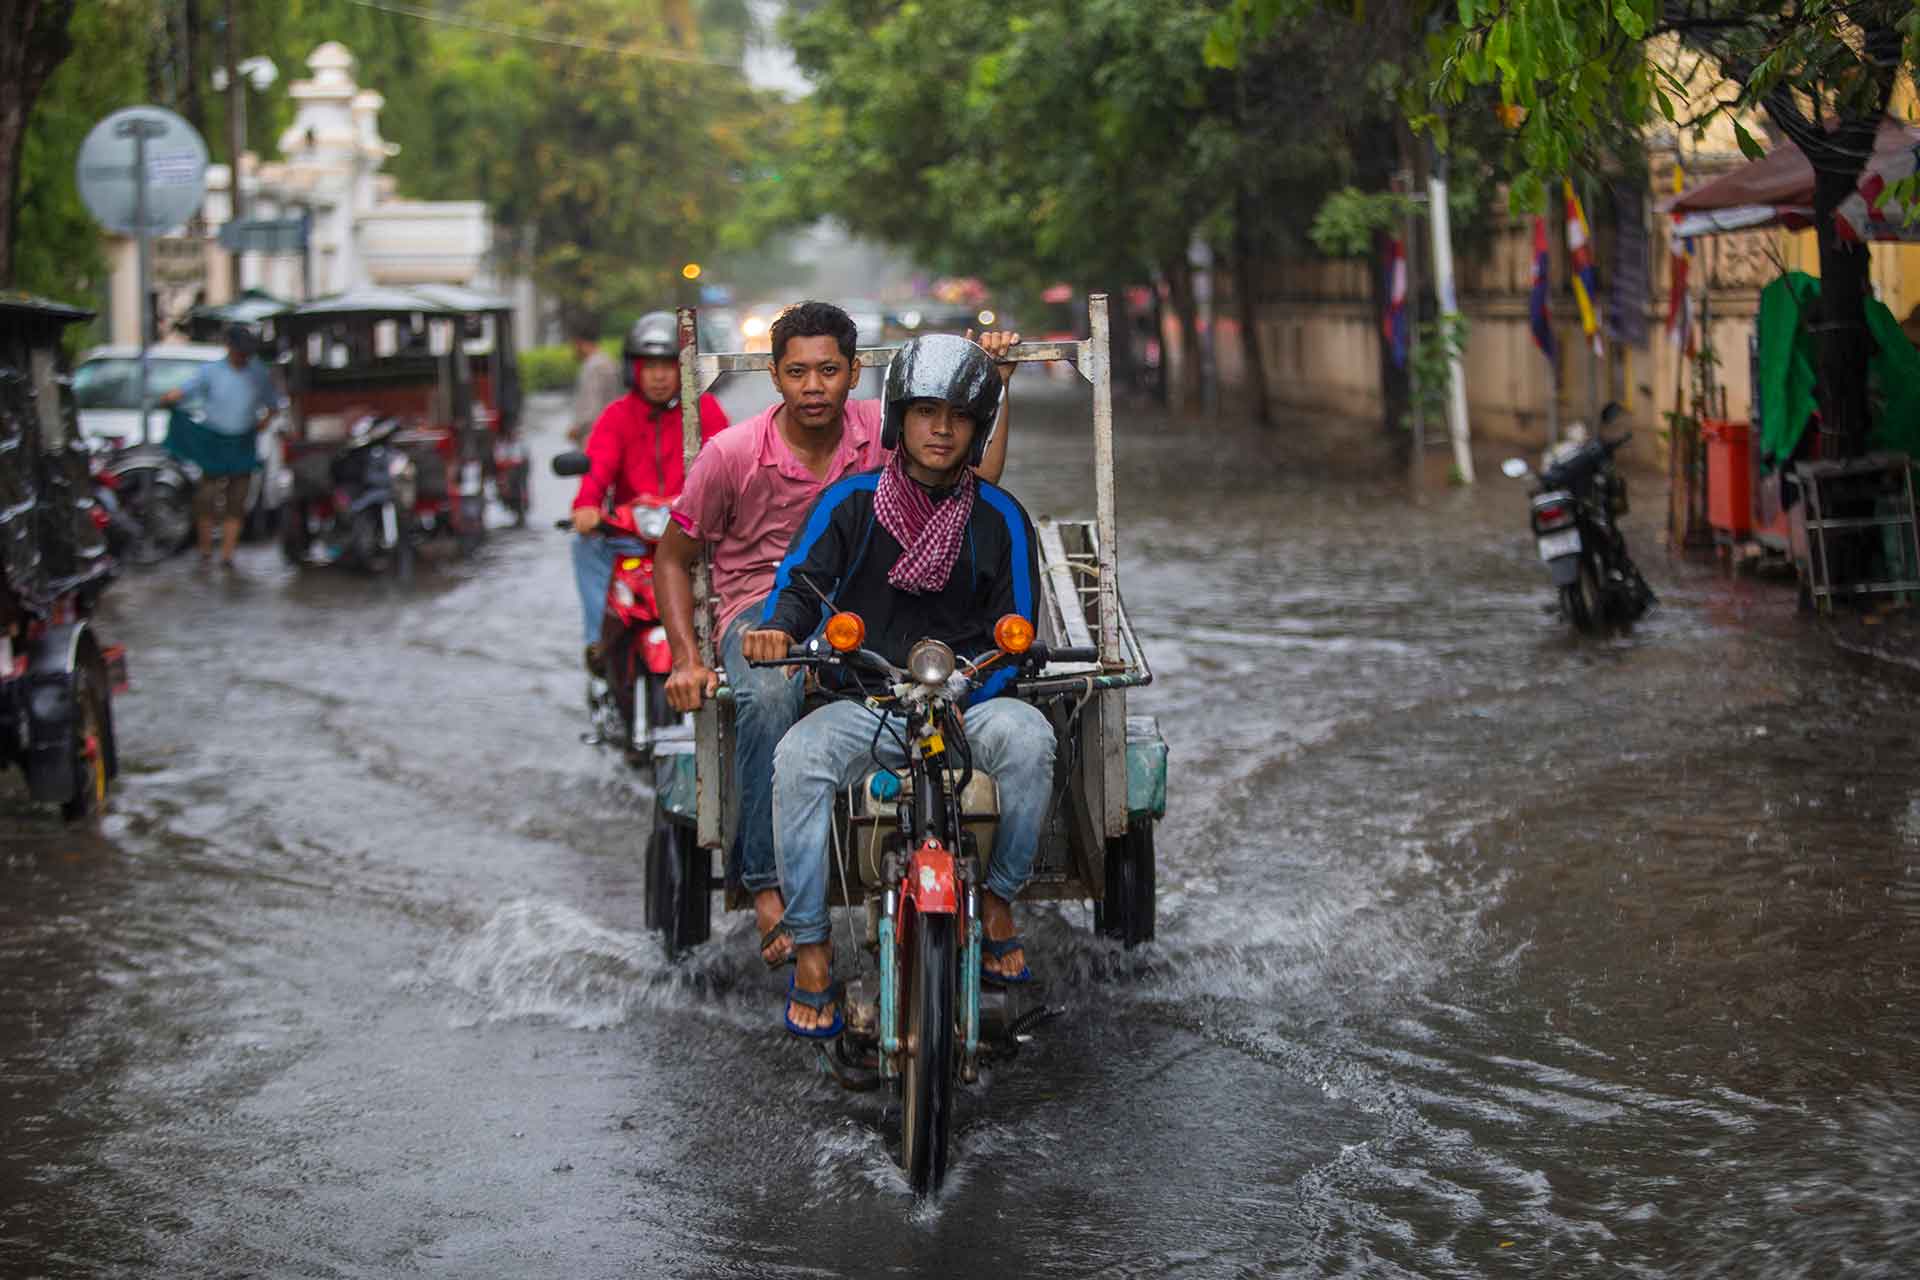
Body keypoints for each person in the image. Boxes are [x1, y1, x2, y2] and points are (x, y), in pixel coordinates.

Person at [656, 301, 1019, 971]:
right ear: (774, 377)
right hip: (766, 609)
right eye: (797, 372)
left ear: (855, 376)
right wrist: (686, 656)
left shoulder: (883, 433)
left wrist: (992, 380)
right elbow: (673, 557)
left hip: (862, 604)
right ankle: (765, 882)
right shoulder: (730, 454)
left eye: (828, 370)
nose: (813, 386)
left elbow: (976, 479)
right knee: (769, 695)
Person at [744, 332, 1051, 1036]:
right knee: (797, 759)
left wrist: (977, 682)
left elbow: (1020, 627)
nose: (941, 429)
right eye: (925, 412)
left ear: (976, 429)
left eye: (959, 416)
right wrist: (779, 630)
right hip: (868, 700)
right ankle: (814, 946)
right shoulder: (850, 504)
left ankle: (999, 900)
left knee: (1032, 741)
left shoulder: (1000, 517)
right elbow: (800, 586)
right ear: (897, 420)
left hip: (971, 701)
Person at [569, 311, 728, 672]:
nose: (658, 376)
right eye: (649, 365)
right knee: (585, 545)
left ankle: (728, 638)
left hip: (690, 534)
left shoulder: (706, 411)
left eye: (667, 365)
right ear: (633, 369)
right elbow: (597, 468)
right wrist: (586, 506)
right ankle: (598, 641)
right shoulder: (616, 416)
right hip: (632, 536)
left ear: (684, 369)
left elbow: (727, 466)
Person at [161, 324, 282, 567]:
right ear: (229, 348)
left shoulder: (258, 373)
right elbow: (184, 391)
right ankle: (205, 551)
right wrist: (170, 397)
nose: (243, 356)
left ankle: (227, 554)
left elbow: (273, 406)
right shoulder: (210, 372)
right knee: (205, 497)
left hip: (243, 442)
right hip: (213, 440)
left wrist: (262, 424)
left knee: (236, 500)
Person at [567, 319, 620, 447]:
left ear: (579, 342)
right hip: (611, 435)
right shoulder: (608, 361)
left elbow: (591, 409)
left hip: (593, 438)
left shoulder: (593, 366)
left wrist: (576, 429)